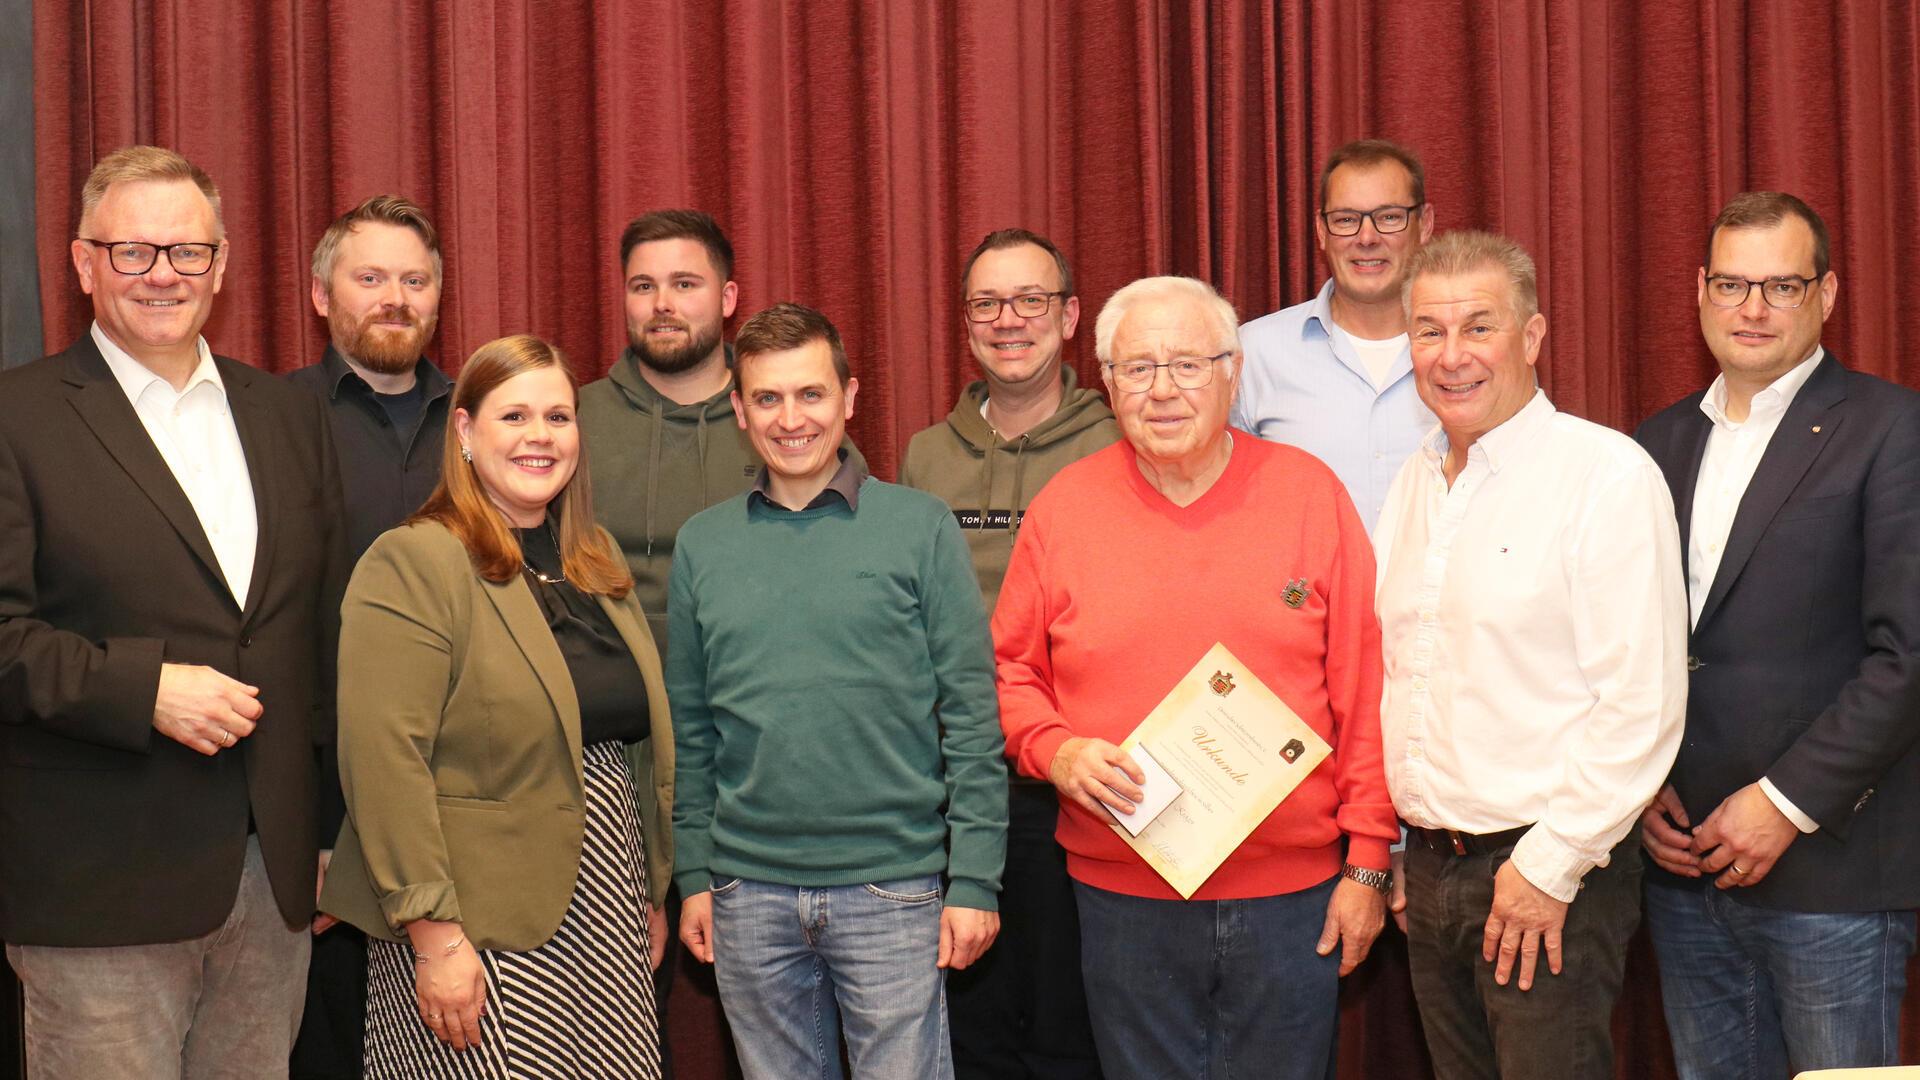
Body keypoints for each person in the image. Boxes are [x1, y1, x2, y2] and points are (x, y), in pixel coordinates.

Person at [0, 145, 346, 1078]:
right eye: (134, 252)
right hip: (99, 885)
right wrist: (141, 686)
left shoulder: (285, 416)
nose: (164, 275)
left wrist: (321, 832)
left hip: (268, 879)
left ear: (222, 266)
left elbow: (316, 635)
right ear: (82, 263)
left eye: (187, 252)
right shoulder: (17, 418)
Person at [995, 275, 1395, 1080]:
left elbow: (1366, 691)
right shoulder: (1063, 509)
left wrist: (1368, 863)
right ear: (1107, 385)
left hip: (1295, 896)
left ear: (1233, 371)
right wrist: (1056, 753)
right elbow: (1009, 670)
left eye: (1188, 364)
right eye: (1138, 368)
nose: (1164, 390)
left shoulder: (1309, 495)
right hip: (1122, 894)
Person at [1373, 231, 1687, 1079]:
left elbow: (1642, 706)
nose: (1452, 355)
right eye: (1429, 331)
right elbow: (1401, 676)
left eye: (1479, 327)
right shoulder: (1413, 484)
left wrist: (1547, 870)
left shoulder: (1605, 477)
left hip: (1550, 872)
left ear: (1534, 336)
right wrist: (1408, 855)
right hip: (1434, 873)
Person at [319, 335, 674, 1079]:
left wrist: (649, 890)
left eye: (558, 416)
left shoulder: (593, 557)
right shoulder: (416, 559)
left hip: (606, 900)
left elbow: (630, 743)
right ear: (465, 431)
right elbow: (384, 759)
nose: (539, 436)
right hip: (472, 922)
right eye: (514, 416)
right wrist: (434, 934)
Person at [668, 303, 1006, 1080]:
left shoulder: (918, 527)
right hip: (746, 891)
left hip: (896, 889)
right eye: (769, 399)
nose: (792, 419)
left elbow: (972, 717)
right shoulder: (703, 543)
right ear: (739, 410)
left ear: (850, 397)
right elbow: (692, 729)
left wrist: (977, 878)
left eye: (811, 394)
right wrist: (694, 876)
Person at [1635, 192, 1920, 1077]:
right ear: (1699, 291)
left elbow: (1907, 655)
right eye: (1731, 283)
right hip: (1682, 870)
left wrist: (1783, 802)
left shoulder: (1893, 429)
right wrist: (1639, 787)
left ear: (1828, 294)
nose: (1751, 308)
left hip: (1833, 873)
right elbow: (1628, 645)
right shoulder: (1655, 443)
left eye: (1781, 285)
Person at [898, 227, 1116, 1080]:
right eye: (988, 303)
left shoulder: (1118, 444)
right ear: (964, 323)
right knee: (970, 1021)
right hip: (955, 785)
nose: (1009, 320)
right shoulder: (924, 455)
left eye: (1030, 300)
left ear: (1068, 316)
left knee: (1070, 1022)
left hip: (1076, 785)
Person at [287, 191, 452, 1080]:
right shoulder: (267, 421)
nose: (396, 296)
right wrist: (308, 828)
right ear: (321, 295)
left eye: (415, 279)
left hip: (459, 802)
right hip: (321, 807)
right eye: (372, 276)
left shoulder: (484, 424)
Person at [1235, 139, 1437, 528]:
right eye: (1346, 219)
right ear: (1321, 231)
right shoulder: (1254, 353)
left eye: (1390, 217)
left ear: (1425, 224)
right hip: (1302, 592)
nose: (1366, 237)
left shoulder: (1473, 356)